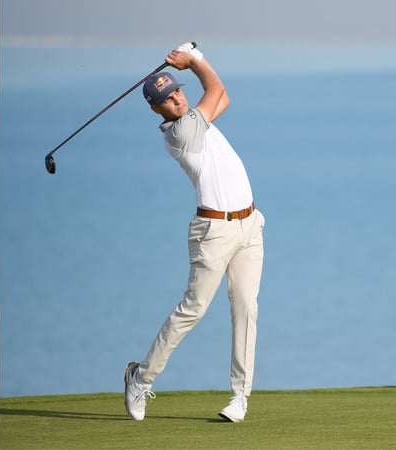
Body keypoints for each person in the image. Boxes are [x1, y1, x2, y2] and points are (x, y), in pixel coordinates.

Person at [123, 44, 265, 423]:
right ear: (156, 109)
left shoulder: (194, 117)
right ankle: (140, 377)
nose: (177, 100)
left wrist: (193, 63)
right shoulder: (181, 132)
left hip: (249, 224)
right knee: (194, 308)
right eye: (167, 99)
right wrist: (196, 61)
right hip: (213, 231)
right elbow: (215, 89)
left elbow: (224, 97)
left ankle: (240, 398)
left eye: (178, 91)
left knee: (246, 308)